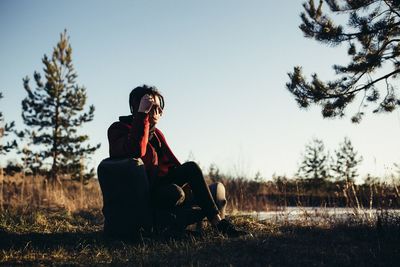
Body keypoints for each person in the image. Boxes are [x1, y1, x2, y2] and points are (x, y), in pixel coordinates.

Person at [107, 84, 249, 237]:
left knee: (191, 168)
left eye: (158, 106)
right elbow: (136, 150)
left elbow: (172, 164)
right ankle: (165, 229)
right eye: (150, 105)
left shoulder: (157, 133)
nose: (156, 110)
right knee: (174, 192)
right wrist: (142, 115)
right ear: (137, 106)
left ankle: (219, 224)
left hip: (163, 184)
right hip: (145, 192)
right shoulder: (118, 129)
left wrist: (192, 187)